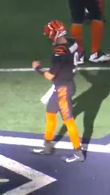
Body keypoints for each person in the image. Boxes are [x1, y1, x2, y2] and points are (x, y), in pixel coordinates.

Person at [31, 20, 84, 162]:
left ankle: (78, 152)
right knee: (50, 113)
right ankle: (47, 145)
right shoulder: (72, 42)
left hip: (63, 88)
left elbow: (50, 76)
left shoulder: (59, 51)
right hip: (64, 84)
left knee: (68, 120)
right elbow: (80, 54)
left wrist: (37, 68)